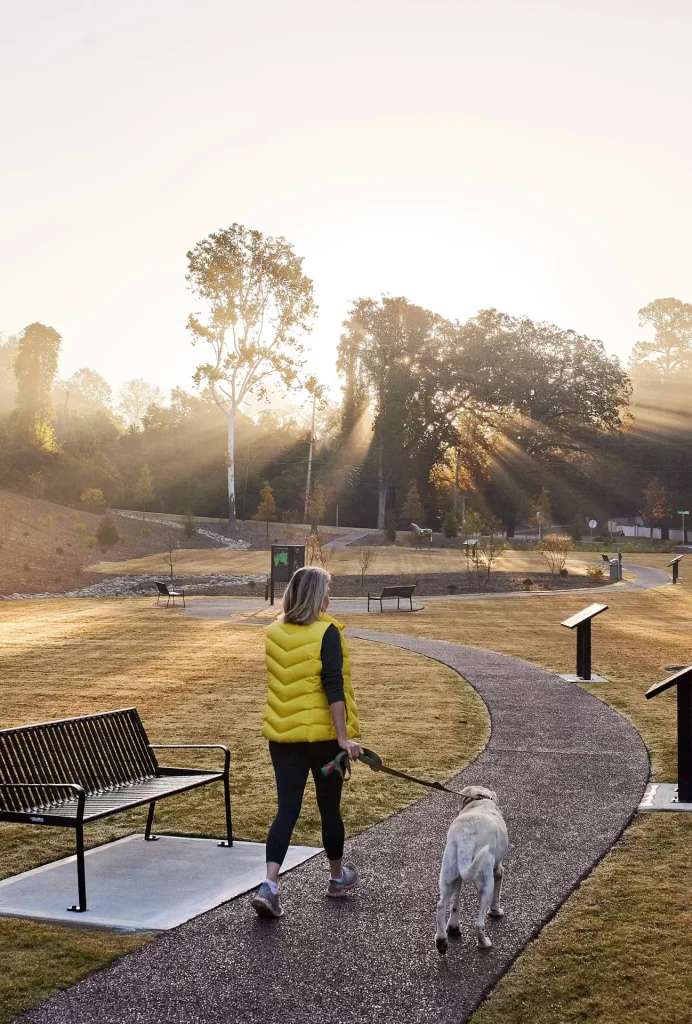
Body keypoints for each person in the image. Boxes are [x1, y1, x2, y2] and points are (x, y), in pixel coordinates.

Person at [251, 565, 364, 918]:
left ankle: (269, 885)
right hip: (323, 739)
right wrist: (343, 738)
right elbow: (333, 687)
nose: (330, 597)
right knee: (328, 807)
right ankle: (336, 879)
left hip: (283, 738)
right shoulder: (327, 632)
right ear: (318, 596)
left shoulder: (273, 632)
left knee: (287, 809)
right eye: (327, 591)